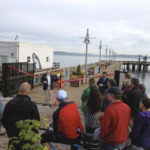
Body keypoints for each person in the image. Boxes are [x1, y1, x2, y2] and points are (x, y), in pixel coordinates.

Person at [2, 82, 40, 150]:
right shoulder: (32, 105)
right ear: (28, 92)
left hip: (13, 137)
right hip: (27, 138)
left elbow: (4, 120)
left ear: (19, 90)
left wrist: (10, 132)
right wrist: (33, 135)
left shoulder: (10, 103)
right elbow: (36, 123)